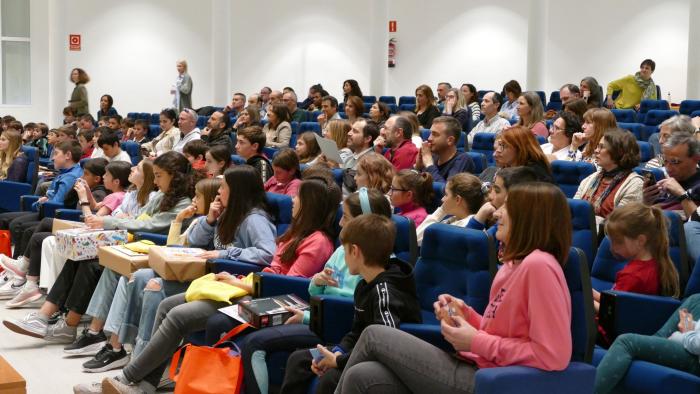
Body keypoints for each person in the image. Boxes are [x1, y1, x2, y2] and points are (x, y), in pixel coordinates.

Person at [97, 172, 340, 394]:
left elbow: (287, 282)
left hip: (263, 298)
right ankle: (145, 384)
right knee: (167, 304)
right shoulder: (294, 234)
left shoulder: (314, 240)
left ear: (310, 205)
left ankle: (128, 377)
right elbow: (197, 242)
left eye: (298, 198)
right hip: (246, 285)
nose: (293, 201)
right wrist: (210, 221)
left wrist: (240, 280)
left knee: (178, 315)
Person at [333, 182, 573, 394]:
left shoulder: (539, 265)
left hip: (494, 380)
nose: (498, 213)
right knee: (362, 375)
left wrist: (476, 341)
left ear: (528, 218)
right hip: (475, 364)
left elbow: (552, 354)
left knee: (375, 334)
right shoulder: (513, 265)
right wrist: (465, 314)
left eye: (507, 207)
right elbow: (502, 333)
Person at [218, 187, 390, 394]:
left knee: (256, 343)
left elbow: (357, 317)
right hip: (315, 313)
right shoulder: (340, 252)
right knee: (226, 322)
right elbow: (315, 290)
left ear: (365, 222)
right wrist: (317, 281)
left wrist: (308, 317)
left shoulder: (375, 269)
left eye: (346, 217)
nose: (341, 223)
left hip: (330, 324)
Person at [280, 213, 422, 394]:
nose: (343, 256)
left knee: (330, 378)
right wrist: (338, 351)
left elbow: (384, 346)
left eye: (344, 250)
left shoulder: (385, 291)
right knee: (299, 359)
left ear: (355, 251)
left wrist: (338, 361)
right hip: (358, 351)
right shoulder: (364, 284)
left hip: (388, 361)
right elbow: (357, 331)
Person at [592, 202, 681, 346]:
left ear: (640, 241)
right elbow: (617, 300)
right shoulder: (655, 264)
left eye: (618, 242)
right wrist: (590, 292)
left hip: (607, 335)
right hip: (623, 330)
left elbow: (613, 314)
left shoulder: (633, 275)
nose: (612, 248)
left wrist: (585, 302)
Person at [574, 129, 643, 221]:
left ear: (619, 152)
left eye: (602, 147)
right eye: (597, 146)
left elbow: (619, 223)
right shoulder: (591, 178)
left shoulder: (635, 184)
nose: (596, 151)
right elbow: (574, 210)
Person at [415, 172, 484, 245]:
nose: (442, 199)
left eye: (446, 195)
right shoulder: (454, 219)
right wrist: (441, 211)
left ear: (458, 199)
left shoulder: (464, 229)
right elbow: (416, 239)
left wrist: (440, 211)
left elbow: (417, 240)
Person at [644, 132, 700, 213]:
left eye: (675, 162)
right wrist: (647, 202)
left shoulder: (697, 186)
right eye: (665, 161)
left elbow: (695, 221)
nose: (668, 168)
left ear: (696, 159)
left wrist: (681, 194)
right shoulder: (665, 182)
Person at [479, 126, 553, 184]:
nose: (496, 152)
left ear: (519, 148)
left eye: (503, 146)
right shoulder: (510, 167)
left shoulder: (531, 175)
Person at [415, 116, 475, 183]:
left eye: (435, 134)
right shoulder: (433, 156)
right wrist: (418, 168)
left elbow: (447, 191)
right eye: (430, 133)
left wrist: (429, 164)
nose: (429, 138)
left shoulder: (463, 160)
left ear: (450, 140)